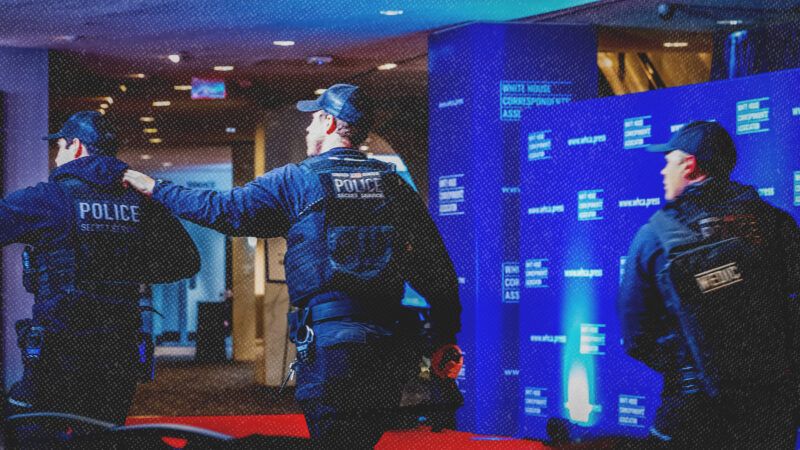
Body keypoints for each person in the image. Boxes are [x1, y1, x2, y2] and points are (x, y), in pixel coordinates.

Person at [123, 83, 463, 448]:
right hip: (388, 348)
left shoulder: (297, 180)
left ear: (331, 124)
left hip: (331, 344)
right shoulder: (394, 185)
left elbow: (223, 209)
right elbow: (437, 270)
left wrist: (155, 188)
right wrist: (445, 336)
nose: (307, 128)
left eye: (314, 119)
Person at [2, 111, 201, 446]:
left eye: (60, 147)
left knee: (28, 425)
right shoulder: (139, 200)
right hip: (118, 347)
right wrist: (130, 268)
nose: (57, 156)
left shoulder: (49, 199)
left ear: (76, 146)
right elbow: (185, 261)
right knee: (103, 436)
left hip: (60, 345)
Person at [617, 120, 800, 449]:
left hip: (693, 409)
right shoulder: (777, 223)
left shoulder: (655, 237)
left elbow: (636, 337)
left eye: (669, 161)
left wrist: (693, 366)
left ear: (689, 166)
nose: (663, 171)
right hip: (772, 408)